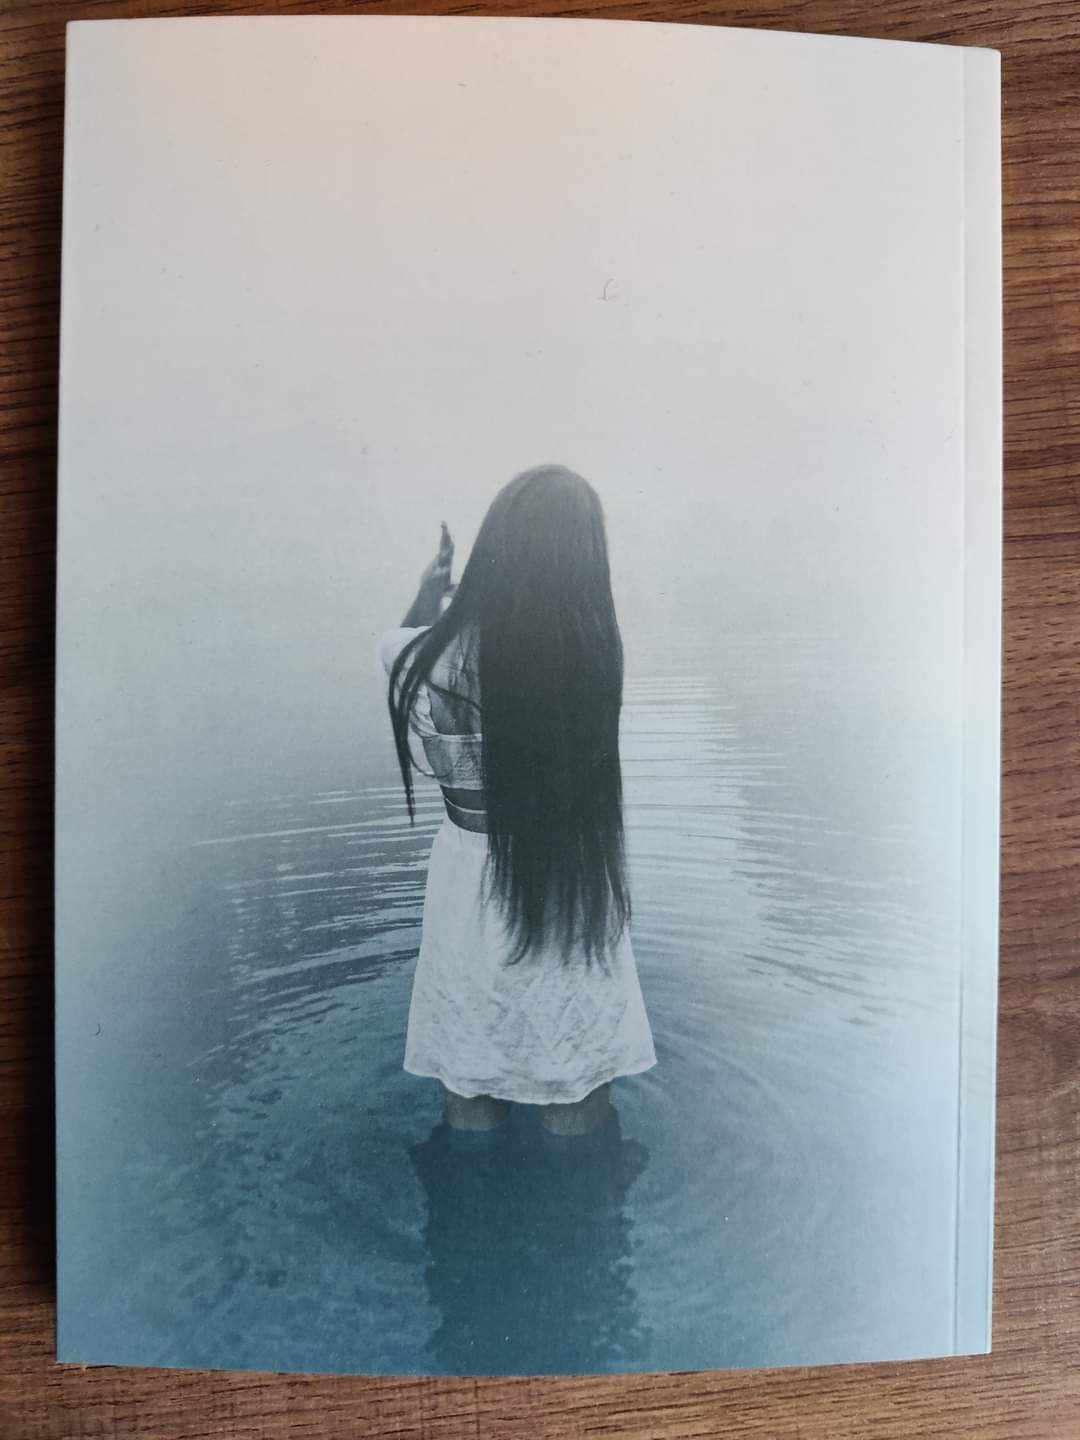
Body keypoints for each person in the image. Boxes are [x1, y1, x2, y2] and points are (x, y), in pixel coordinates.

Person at [377, 465, 656, 1135]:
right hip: (568, 876)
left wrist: (429, 594)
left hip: (467, 884)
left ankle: (471, 1191)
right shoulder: (593, 656)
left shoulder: (427, 658)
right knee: (576, 1079)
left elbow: (394, 650)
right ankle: (582, 1194)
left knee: (470, 1073)